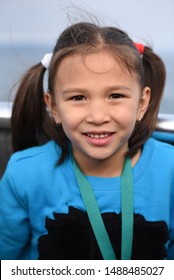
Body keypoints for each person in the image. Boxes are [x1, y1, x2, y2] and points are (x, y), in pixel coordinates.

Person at [0, 21, 174, 260]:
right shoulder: (25, 175)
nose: (98, 117)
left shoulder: (170, 171)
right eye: (78, 97)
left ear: (142, 103)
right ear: (54, 107)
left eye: (116, 96)